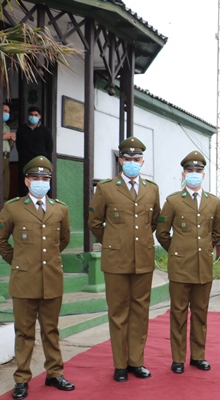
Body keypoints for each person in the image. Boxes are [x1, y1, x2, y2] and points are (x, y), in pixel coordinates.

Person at [0, 156, 74, 400]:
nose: (40, 182)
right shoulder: (13, 208)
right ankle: (22, 379)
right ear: (27, 181)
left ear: (50, 182)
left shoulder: (60, 209)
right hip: (24, 281)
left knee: (51, 330)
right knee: (24, 332)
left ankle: (54, 373)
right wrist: (18, 261)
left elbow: (64, 240)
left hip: (51, 279)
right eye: (36, 178)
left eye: (45, 178)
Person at [88, 136, 161, 382]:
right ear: (121, 161)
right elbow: (95, 223)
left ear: (142, 161)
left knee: (140, 312)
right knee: (118, 313)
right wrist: (114, 241)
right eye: (127, 159)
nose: (132, 163)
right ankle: (120, 364)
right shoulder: (107, 188)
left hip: (143, 259)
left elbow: (152, 222)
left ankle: (136, 362)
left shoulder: (152, 189)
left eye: (136, 159)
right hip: (116, 261)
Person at [156, 151, 220, 373]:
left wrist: (202, 251)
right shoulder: (173, 201)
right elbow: (162, 232)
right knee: (178, 313)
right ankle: (178, 358)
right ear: (183, 173)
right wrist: (177, 251)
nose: (194, 174)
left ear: (203, 174)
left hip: (203, 266)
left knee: (201, 313)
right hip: (180, 267)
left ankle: (198, 356)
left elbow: (217, 233)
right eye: (190, 170)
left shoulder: (213, 202)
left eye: (198, 170)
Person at [15, 106, 53, 197]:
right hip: (25, 161)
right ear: (28, 116)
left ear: (40, 117)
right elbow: (19, 146)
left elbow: (49, 148)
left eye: (36, 115)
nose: (33, 117)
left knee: (40, 182)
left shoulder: (46, 131)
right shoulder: (21, 130)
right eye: (31, 115)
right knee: (25, 183)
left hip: (40, 162)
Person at [1, 102, 16, 200]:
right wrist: (4, 137)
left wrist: (11, 141)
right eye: (5, 111)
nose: (7, 114)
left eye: (8, 112)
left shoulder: (7, 127)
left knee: (6, 186)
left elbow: (10, 147)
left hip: (7, 157)